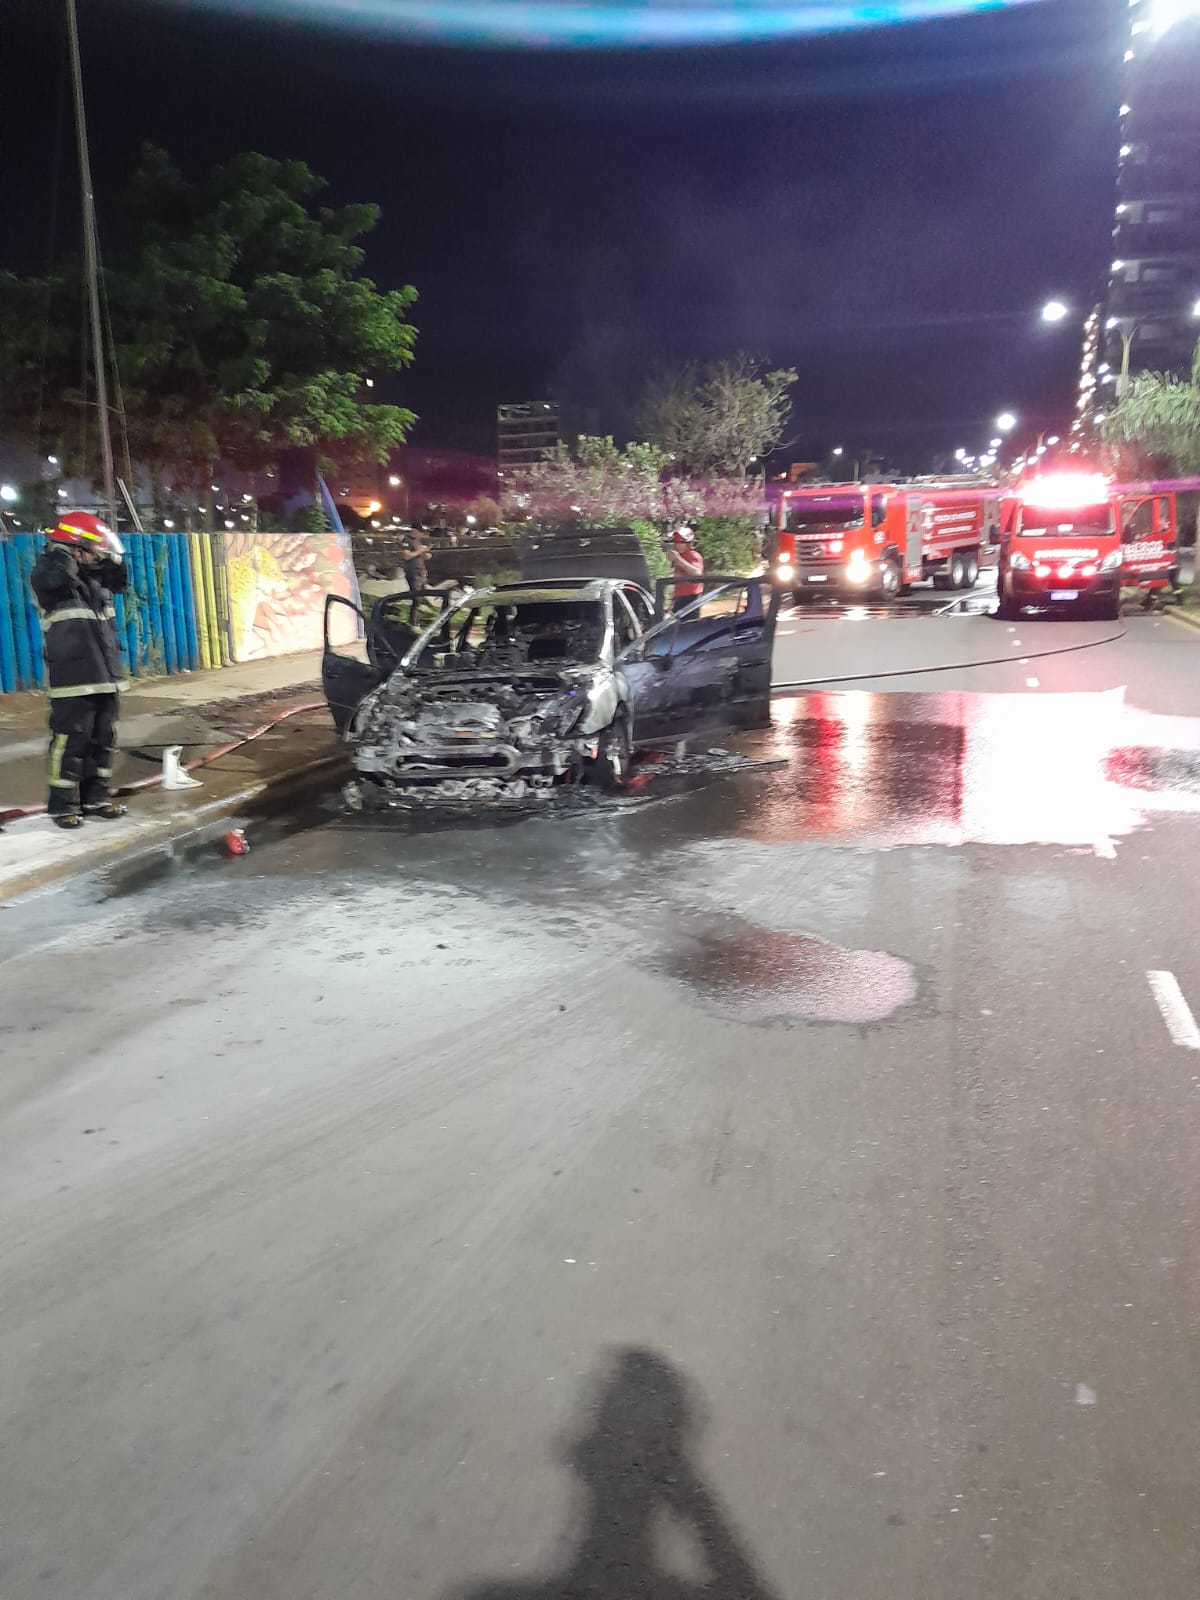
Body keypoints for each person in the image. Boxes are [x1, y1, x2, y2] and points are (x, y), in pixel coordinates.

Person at [30, 510, 129, 830]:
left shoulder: (94, 577)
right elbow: (57, 578)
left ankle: (95, 798)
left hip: (104, 675)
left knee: (102, 740)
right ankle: (62, 806)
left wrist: (111, 558)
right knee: (71, 742)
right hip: (73, 678)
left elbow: (121, 582)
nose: (96, 554)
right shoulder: (48, 572)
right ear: (73, 548)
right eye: (90, 548)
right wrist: (64, 552)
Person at [667, 525, 704, 609]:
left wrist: (678, 560)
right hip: (679, 598)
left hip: (692, 599)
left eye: (680, 542)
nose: (677, 545)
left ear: (689, 543)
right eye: (675, 542)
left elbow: (697, 574)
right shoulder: (679, 556)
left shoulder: (694, 556)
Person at [400, 528, 432, 594]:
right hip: (413, 570)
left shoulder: (418, 541)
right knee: (415, 591)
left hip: (421, 570)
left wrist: (426, 554)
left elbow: (421, 556)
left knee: (422, 590)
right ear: (414, 530)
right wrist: (420, 550)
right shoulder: (407, 540)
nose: (420, 535)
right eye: (420, 532)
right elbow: (406, 556)